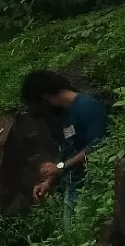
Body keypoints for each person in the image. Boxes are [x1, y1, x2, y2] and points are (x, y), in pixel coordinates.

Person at [20, 70, 108, 216]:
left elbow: (97, 147)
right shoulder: (66, 114)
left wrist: (61, 167)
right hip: (74, 190)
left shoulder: (87, 106)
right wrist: (48, 180)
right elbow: (68, 149)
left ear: (45, 98)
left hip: (92, 191)